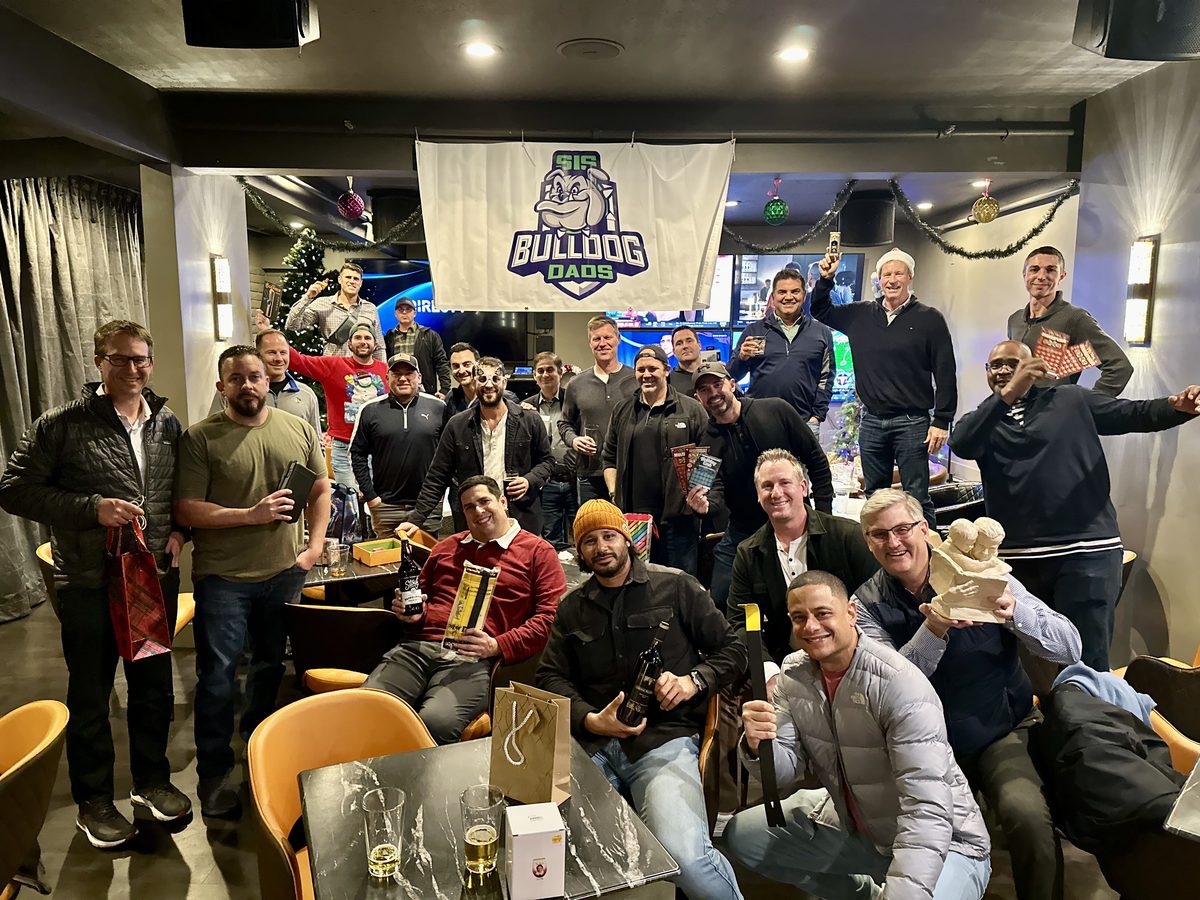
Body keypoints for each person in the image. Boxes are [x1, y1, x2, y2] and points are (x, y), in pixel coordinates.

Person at [0, 320, 190, 848]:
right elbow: (14, 490)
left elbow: (179, 489)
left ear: (151, 363)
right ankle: (94, 800)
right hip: (87, 581)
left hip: (149, 580)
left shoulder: (167, 423)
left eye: (141, 359)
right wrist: (91, 509)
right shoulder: (59, 425)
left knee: (153, 688)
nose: (132, 369)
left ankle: (152, 782)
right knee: (91, 692)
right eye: (120, 359)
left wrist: (180, 531)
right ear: (99, 362)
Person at [854, 488, 1082, 900]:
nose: (894, 542)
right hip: (925, 745)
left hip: (1000, 729)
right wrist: (935, 627)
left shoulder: (985, 574)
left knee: (1026, 816)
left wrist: (1016, 611)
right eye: (878, 535)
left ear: (925, 529)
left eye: (903, 529)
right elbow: (890, 688)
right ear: (868, 542)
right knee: (909, 835)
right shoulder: (865, 606)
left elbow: (1070, 648)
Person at [724, 571, 992, 899]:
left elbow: (927, 809)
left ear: (851, 613)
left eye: (822, 613)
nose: (810, 627)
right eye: (799, 617)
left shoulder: (898, 683)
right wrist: (757, 744)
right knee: (745, 837)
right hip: (858, 825)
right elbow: (785, 770)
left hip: (944, 842)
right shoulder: (793, 675)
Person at [536, 499, 747, 900]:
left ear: (627, 539)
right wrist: (590, 719)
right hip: (591, 749)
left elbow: (733, 650)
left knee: (687, 860)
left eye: (609, 536)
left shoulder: (677, 586)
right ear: (579, 552)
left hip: (663, 741)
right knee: (548, 850)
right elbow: (549, 676)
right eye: (590, 541)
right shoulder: (571, 608)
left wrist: (693, 681)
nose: (601, 547)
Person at [950, 340, 1200, 669]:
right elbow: (961, 443)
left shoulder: (1070, 399)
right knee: (1024, 666)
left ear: (1034, 368)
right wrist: (1008, 393)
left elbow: (1130, 414)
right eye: (995, 365)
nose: (1003, 371)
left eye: (1014, 363)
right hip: (1018, 563)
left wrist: (1174, 407)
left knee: (1087, 663)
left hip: (1086, 553)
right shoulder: (983, 420)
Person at [175, 345, 331, 818]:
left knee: (268, 669)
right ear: (222, 386)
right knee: (218, 679)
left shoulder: (299, 428)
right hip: (224, 580)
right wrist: (250, 514)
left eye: (255, 376)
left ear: (269, 381)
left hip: (284, 575)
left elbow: (320, 489)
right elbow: (186, 509)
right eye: (236, 378)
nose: (247, 385)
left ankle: (262, 755)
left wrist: (315, 546)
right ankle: (215, 775)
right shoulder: (201, 438)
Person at [366, 476, 565, 742]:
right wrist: (410, 614)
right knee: (370, 710)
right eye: (469, 507)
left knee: (434, 724)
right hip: (416, 649)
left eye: (484, 502)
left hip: (473, 660)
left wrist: (498, 645)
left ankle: (421, 782)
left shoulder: (537, 552)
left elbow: (550, 619)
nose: (478, 511)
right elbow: (420, 600)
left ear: (503, 502)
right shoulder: (447, 547)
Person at [811, 248, 957, 527]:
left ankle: (926, 555)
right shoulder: (861, 314)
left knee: (916, 497)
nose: (892, 279)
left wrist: (942, 420)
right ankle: (876, 552)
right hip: (872, 421)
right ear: (879, 279)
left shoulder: (930, 319)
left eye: (898, 273)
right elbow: (820, 310)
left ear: (910, 277)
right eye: (886, 274)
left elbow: (945, 371)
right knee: (874, 495)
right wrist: (825, 279)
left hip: (912, 422)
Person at [695, 363, 836, 609]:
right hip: (743, 530)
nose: (713, 393)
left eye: (717, 385)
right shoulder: (706, 443)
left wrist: (823, 515)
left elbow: (816, 461)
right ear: (698, 398)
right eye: (704, 390)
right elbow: (711, 491)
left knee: (811, 597)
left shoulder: (776, 410)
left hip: (797, 523)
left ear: (732, 383)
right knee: (719, 600)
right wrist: (704, 504)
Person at [727, 448, 878, 672]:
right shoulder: (748, 553)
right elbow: (741, 622)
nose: (776, 493)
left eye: (785, 483)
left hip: (854, 658)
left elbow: (876, 604)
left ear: (803, 488)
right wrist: (768, 673)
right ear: (758, 496)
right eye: (767, 486)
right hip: (787, 665)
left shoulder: (848, 536)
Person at [398, 358, 554, 535]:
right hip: (476, 521)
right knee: (476, 564)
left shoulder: (530, 420)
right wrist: (416, 520)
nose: (489, 385)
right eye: (482, 379)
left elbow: (547, 462)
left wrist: (529, 480)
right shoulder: (457, 425)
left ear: (504, 382)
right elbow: (437, 477)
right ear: (474, 382)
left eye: (495, 379)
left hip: (521, 518)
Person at [602, 345, 709, 572]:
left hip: (678, 519)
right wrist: (614, 493)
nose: (646, 374)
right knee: (639, 580)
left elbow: (708, 458)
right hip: (634, 519)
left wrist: (696, 498)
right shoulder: (622, 410)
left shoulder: (691, 410)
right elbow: (609, 457)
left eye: (653, 368)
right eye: (641, 369)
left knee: (680, 582)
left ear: (666, 370)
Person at [1007, 246, 1132, 397]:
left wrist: (1089, 404)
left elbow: (1119, 366)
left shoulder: (1074, 318)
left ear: (1061, 276)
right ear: (1025, 274)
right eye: (1034, 269)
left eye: (1050, 270)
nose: (1041, 276)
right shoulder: (1015, 320)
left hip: (1052, 415)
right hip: (1015, 413)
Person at [728, 266, 835, 436]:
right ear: (773, 296)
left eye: (795, 291)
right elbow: (731, 377)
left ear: (804, 295)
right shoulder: (754, 331)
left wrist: (817, 416)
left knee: (803, 464)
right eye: (782, 292)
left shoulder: (821, 332)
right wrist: (741, 358)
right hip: (758, 422)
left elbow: (826, 378)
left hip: (804, 423)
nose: (788, 297)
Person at [350, 353, 446, 537]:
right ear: (387, 378)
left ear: (419, 377)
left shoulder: (439, 408)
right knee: (386, 563)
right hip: (385, 506)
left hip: (427, 505)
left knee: (427, 562)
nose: (402, 378)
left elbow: (450, 455)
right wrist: (371, 497)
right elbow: (357, 454)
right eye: (396, 373)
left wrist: (440, 493)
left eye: (409, 373)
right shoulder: (369, 410)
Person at [288, 324, 389, 491]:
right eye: (358, 338)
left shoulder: (386, 370)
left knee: (376, 503)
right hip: (344, 449)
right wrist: (269, 332)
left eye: (367, 338)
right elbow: (298, 361)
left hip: (377, 447)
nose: (363, 342)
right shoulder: (333, 365)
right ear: (349, 344)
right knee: (348, 505)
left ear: (375, 344)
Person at [558, 316, 637, 504]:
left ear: (618, 339)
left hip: (628, 471)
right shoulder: (576, 383)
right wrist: (574, 440)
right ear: (590, 343)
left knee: (627, 529)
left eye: (608, 338)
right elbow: (564, 423)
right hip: (589, 473)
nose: (602, 343)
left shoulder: (635, 379)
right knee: (592, 530)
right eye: (596, 339)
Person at [208, 328, 321, 434]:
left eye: (283, 352)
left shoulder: (306, 394)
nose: (278, 359)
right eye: (271, 352)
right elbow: (213, 432)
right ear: (257, 355)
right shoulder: (235, 391)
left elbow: (315, 440)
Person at [521, 350, 578, 550]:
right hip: (546, 483)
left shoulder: (574, 402)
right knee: (550, 539)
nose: (546, 375)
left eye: (550, 370)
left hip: (573, 479)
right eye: (540, 371)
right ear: (534, 375)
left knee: (581, 534)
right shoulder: (525, 407)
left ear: (560, 373)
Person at [282, 261, 385, 360]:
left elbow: (379, 346)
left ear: (361, 283)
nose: (352, 281)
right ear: (340, 279)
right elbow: (292, 325)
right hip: (332, 368)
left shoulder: (370, 308)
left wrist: (382, 373)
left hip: (361, 371)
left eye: (356, 279)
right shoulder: (322, 303)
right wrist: (307, 297)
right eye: (348, 277)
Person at [382, 297, 452, 398]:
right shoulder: (389, 337)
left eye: (408, 310)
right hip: (397, 389)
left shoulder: (430, 335)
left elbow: (441, 363)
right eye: (400, 310)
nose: (404, 312)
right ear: (395, 314)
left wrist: (445, 390)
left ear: (414, 313)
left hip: (425, 390)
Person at [443, 342, 518, 420]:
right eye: (456, 366)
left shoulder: (506, 397)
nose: (461, 371)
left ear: (478, 366)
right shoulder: (451, 398)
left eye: (467, 364)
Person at [667, 325, 703, 395]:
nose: (685, 346)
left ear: (699, 345)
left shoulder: (713, 374)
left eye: (689, 341)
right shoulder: (667, 382)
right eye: (679, 343)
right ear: (674, 351)